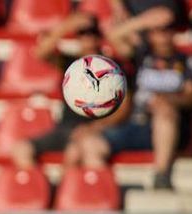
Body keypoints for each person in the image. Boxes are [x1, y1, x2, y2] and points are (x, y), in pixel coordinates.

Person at [75, 21, 192, 188]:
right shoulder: (141, 57)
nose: (162, 35)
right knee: (89, 143)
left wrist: (169, 100)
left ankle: (161, 175)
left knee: (164, 113)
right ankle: (105, 194)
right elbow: (114, 35)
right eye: (157, 30)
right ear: (150, 34)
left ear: (174, 33)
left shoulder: (186, 61)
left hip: (170, 127)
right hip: (135, 125)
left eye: (167, 29)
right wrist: (148, 19)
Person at [11, 14, 128, 170]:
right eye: (83, 35)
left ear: (100, 37)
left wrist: (95, 127)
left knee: (76, 153)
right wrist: (65, 28)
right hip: (65, 129)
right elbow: (40, 53)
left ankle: (70, 191)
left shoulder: (113, 69)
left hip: (95, 130)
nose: (88, 40)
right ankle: (39, 190)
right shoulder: (72, 65)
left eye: (92, 34)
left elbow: (124, 108)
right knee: (21, 149)